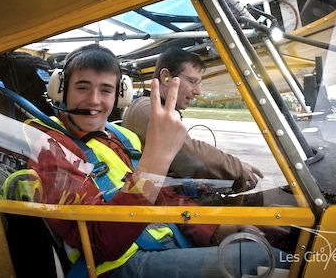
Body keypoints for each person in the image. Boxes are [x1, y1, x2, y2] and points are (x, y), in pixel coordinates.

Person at [24, 44, 289, 277]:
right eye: (82, 87)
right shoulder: (50, 148)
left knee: (267, 248)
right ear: (61, 90)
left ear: (119, 95)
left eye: (105, 90)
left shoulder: (119, 137)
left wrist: (220, 228)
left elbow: (163, 197)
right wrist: (156, 162)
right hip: (115, 265)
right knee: (257, 260)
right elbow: (100, 245)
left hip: (162, 240)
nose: (94, 100)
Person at [122, 47, 263, 187]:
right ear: (166, 77)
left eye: (199, 83)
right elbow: (188, 154)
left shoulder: (151, 108)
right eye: (192, 81)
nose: (198, 91)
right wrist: (237, 168)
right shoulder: (147, 108)